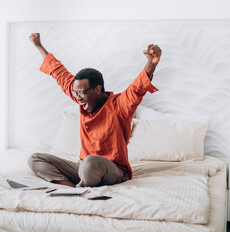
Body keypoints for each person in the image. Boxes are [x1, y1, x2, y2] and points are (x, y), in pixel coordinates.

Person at [27, 33, 161, 188]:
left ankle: (81, 186)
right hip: (85, 168)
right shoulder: (81, 96)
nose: (78, 98)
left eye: (82, 93)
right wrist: (38, 46)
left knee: (90, 162)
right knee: (35, 158)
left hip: (114, 171)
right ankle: (70, 188)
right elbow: (59, 73)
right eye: (76, 93)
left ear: (97, 90)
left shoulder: (119, 105)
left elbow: (137, 88)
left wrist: (152, 64)